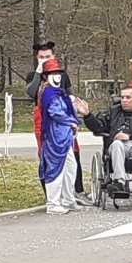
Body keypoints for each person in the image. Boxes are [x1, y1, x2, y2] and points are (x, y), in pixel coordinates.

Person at [25, 41, 91, 206]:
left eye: (47, 57)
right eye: (41, 57)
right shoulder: (34, 76)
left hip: (63, 116)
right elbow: (31, 93)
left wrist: (75, 116)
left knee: (72, 152)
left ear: (53, 56)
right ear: (37, 58)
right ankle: (52, 196)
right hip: (43, 118)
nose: (44, 59)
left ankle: (76, 191)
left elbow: (70, 96)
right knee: (46, 154)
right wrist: (39, 73)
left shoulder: (61, 75)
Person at [74, 87, 132, 197]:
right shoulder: (112, 111)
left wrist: (130, 135)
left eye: (128, 97)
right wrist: (87, 115)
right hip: (117, 147)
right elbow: (98, 127)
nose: (124, 100)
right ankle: (119, 182)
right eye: (122, 97)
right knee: (117, 144)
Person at [39, 59, 81, 215]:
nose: (56, 76)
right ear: (46, 76)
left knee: (71, 166)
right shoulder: (49, 93)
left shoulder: (59, 92)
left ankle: (68, 198)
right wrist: (72, 122)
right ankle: (53, 202)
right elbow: (55, 113)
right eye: (52, 74)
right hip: (54, 136)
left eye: (58, 73)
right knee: (56, 168)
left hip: (65, 135)